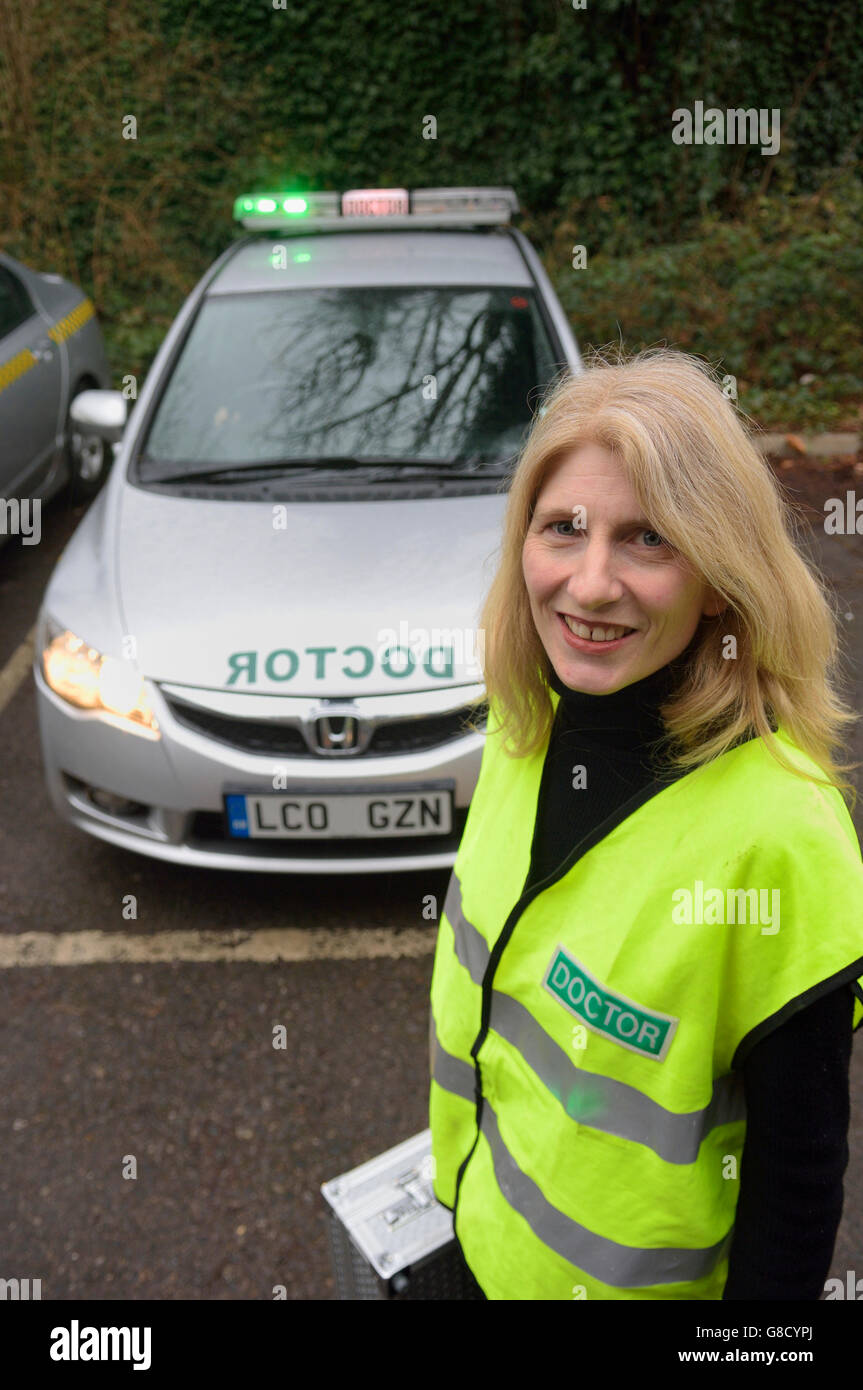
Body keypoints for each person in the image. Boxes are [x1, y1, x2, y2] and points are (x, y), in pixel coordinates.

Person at [428, 347, 863, 1301]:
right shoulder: (523, 723)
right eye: (563, 529)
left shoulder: (780, 837)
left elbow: (794, 1188)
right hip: (472, 1244)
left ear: (719, 576)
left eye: (647, 540)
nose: (588, 585)